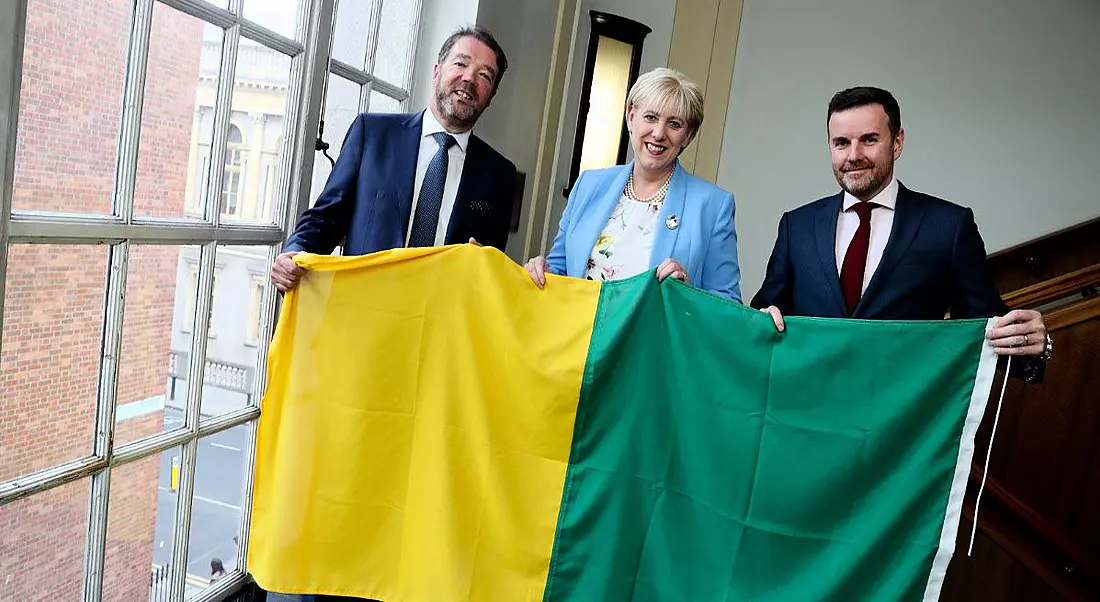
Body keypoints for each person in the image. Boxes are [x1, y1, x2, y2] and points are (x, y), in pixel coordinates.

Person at [751, 86, 1051, 380]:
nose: (853, 155)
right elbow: (763, 314)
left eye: (869, 140)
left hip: (901, 420)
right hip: (808, 408)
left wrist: (1034, 346)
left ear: (897, 143)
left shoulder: (949, 226)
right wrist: (759, 321)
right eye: (841, 143)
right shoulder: (797, 226)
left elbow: (985, 328)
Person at [270, 25, 517, 293]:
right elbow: (326, 217)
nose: (469, 78)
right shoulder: (372, 134)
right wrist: (295, 253)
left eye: (485, 76)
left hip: (440, 326)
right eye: (461, 63)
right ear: (436, 72)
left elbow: (492, 270)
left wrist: (485, 267)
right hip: (364, 313)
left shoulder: (499, 175)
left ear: (490, 97)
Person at [524, 68, 742, 302]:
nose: (658, 133)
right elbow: (560, 270)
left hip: (651, 338)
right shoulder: (589, 184)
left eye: (674, 124)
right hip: (581, 334)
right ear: (631, 116)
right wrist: (541, 270)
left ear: (688, 135)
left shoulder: (713, 205)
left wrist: (686, 293)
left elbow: (728, 303)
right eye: (651, 117)